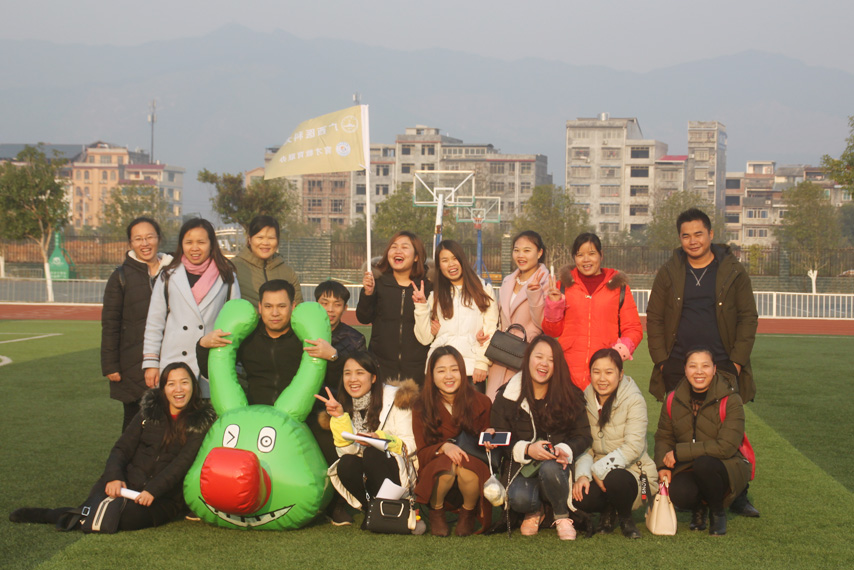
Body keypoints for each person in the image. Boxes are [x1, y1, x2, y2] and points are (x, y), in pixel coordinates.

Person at [195, 279, 343, 520]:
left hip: (300, 414)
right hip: (254, 413)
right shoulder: (249, 338)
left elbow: (334, 377)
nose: (275, 313)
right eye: (269, 306)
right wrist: (203, 345)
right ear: (259, 308)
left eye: (281, 306)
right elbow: (212, 370)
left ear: (293, 307)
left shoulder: (303, 338)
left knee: (330, 443)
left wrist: (333, 356)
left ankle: (335, 503)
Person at [646, 208, 759, 517]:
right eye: (686, 236)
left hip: (722, 363)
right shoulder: (669, 272)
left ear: (710, 234)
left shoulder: (733, 270)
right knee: (683, 428)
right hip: (678, 364)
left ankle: (738, 493)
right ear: (679, 239)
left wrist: (736, 363)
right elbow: (654, 317)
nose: (693, 241)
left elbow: (748, 317)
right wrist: (662, 361)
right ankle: (693, 492)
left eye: (698, 234)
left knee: (727, 432)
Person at [10, 363, 215, 531]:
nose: (178, 389)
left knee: (120, 518)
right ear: (163, 389)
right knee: (91, 510)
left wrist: (153, 490)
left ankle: (71, 517)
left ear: (193, 386)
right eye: (171, 384)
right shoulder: (148, 413)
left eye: (184, 383)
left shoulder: (199, 423)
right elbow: (121, 448)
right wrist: (114, 477)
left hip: (161, 498)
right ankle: (47, 514)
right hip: (127, 483)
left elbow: (181, 464)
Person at [491, 335, 591, 540]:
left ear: (558, 365)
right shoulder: (508, 395)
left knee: (550, 468)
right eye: (539, 357)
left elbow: (583, 436)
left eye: (551, 359)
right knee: (519, 498)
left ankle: (561, 514)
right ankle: (535, 510)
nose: (544, 363)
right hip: (521, 468)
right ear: (528, 358)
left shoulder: (570, 395)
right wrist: (527, 449)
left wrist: (564, 449)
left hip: (557, 468)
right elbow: (501, 437)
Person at [654, 348, 752, 536]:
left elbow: (726, 447)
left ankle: (717, 512)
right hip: (689, 466)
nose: (699, 372)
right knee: (679, 492)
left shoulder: (731, 399)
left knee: (704, 464)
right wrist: (662, 465)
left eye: (705, 366)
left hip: (725, 466)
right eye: (693, 366)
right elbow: (664, 436)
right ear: (685, 369)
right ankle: (698, 508)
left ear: (714, 369)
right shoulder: (673, 398)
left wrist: (679, 453)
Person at [315, 351, 418, 523]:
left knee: (373, 453)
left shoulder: (397, 398)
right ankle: (372, 510)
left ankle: (389, 508)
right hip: (367, 474)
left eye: (360, 373)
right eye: (347, 373)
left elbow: (411, 445)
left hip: (397, 472)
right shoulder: (343, 404)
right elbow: (347, 452)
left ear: (373, 377)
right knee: (346, 463)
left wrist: (380, 440)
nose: (352, 379)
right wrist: (339, 417)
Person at [142, 218, 240, 398]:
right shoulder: (168, 275)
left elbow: (235, 322)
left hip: (210, 361)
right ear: (181, 244)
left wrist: (233, 363)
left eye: (201, 242)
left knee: (207, 411)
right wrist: (151, 363)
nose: (195, 248)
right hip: (174, 360)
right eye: (189, 242)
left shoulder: (227, 276)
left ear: (211, 244)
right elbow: (155, 322)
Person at [572, 348, 659, 539]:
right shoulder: (585, 399)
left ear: (620, 375)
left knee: (615, 479)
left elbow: (633, 447)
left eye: (609, 372)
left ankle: (625, 517)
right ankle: (608, 509)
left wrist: (599, 469)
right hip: (597, 469)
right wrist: (583, 475)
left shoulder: (634, 400)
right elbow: (585, 444)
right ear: (590, 374)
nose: (602, 378)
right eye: (596, 372)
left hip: (633, 471)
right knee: (579, 496)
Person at [542, 232, 642, 391]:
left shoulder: (619, 287)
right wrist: (554, 305)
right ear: (574, 258)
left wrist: (617, 353)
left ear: (601, 255)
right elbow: (552, 331)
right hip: (567, 373)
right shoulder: (562, 286)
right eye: (580, 255)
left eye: (591, 253)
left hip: (603, 373)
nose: (586, 259)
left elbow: (633, 328)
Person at [101, 217, 173, 432]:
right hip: (133, 363)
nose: (145, 243)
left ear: (159, 238)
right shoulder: (120, 277)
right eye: (138, 239)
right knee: (135, 425)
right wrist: (110, 365)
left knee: (171, 423)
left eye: (150, 237)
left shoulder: (174, 271)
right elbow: (110, 323)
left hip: (170, 358)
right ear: (131, 243)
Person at [412, 346, 493, 536]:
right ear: (431, 375)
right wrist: (443, 447)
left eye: (454, 369)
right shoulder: (421, 406)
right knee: (447, 465)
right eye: (441, 371)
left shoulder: (482, 401)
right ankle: (436, 511)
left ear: (463, 372)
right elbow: (422, 452)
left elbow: (487, 447)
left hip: (471, 464)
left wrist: (489, 435)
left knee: (466, 466)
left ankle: (468, 512)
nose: (449, 376)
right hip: (437, 468)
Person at [413, 240, 499, 391]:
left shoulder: (483, 290)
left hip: (471, 369)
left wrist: (482, 363)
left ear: (462, 260)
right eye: (444, 260)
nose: (451, 264)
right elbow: (424, 338)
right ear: (439, 266)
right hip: (440, 368)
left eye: (454, 258)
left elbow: (490, 331)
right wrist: (420, 306)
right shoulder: (435, 295)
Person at [356, 230, 432, 384]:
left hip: (417, 371)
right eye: (394, 246)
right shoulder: (378, 283)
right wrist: (368, 293)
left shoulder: (428, 287)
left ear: (416, 256)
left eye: (405, 247)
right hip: (381, 368)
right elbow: (363, 318)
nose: (398, 251)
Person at [485, 230, 549, 400]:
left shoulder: (546, 283)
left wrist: (535, 293)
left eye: (527, 250)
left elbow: (543, 323)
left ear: (539, 253)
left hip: (525, 355)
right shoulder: (508, 281)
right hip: (501, 354)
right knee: (494, 406)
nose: (521, 255)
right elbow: (499, 317)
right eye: (516, 250)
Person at [231, 215, 303, 307]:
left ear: (278, 240)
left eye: (271, 238)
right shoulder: (233, 268)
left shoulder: (288, 272)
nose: (265, 243)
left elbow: (298, 308)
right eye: (260, 237)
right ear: (249, 239)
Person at [314, 279, 367, 392]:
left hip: (340, 398)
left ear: (345, 308)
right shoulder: (303, 333)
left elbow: (361, 376)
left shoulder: (356, 339)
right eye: (325, 303)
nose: (330, 309)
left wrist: (334, 356)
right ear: (316, 305)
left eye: (337, 304)